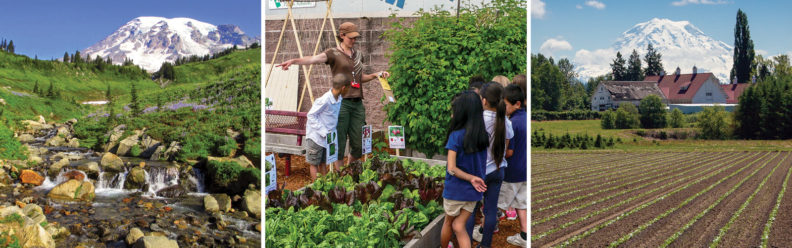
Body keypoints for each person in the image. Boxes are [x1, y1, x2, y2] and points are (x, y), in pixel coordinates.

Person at [277, 21, 389, 170]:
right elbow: (313, 59)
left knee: (358, 144)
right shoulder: (333, 53)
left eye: (356, 37)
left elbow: (359, 78)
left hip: (357, 104)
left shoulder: (358, 55)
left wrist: (376, 75)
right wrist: (294, 61)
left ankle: (350, 169)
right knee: (339, 143)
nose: (354, 40)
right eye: (351, 37)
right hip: (340, 103)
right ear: (342, 36)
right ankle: (341, 175)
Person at [440, 91, 489, 248]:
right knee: (459, 226)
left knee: (448, 222)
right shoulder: (482, 136)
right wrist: (473, 179)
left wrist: (469, 178)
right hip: (473, 192)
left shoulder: (456, 136)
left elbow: (451, 168)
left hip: (455, 190)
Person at [467, 82, 513, 248]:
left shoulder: (477, 120)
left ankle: (466, 244)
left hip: (478, 172)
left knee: (471, 210)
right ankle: (485, 245)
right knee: (491, 210)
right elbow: (506, 147)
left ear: (484, 100)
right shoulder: (506, 121)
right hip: (498, 170)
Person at [304, 74, 349, 181]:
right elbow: (311, 115)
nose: (348, 90)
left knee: (323, 162)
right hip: (316, 138)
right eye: (348, 88)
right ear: (343, 88)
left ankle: (325, 185)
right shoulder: (325, 100)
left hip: (327, 138)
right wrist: (324, 132)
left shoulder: (338, 99)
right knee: (314, 163)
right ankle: (317, 188)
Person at [500, 84, 527, 246]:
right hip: (524, 171)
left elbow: (509, 152)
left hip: (512, 172)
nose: (504, 108)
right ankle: (524, 235)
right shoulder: (525, 118)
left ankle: (483, 232)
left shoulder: (512, 123)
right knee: (520, 202)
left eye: (506, 105)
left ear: (517, 104)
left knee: (496, 203)